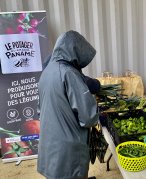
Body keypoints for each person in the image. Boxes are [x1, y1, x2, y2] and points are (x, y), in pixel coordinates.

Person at [37, 30, 99, 179]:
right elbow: (88, 117)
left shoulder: (47, 71)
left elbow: (40, 110)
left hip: (50, 145)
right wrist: (96, 107)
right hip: (68, 149)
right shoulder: (69, 73)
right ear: (75, 51)